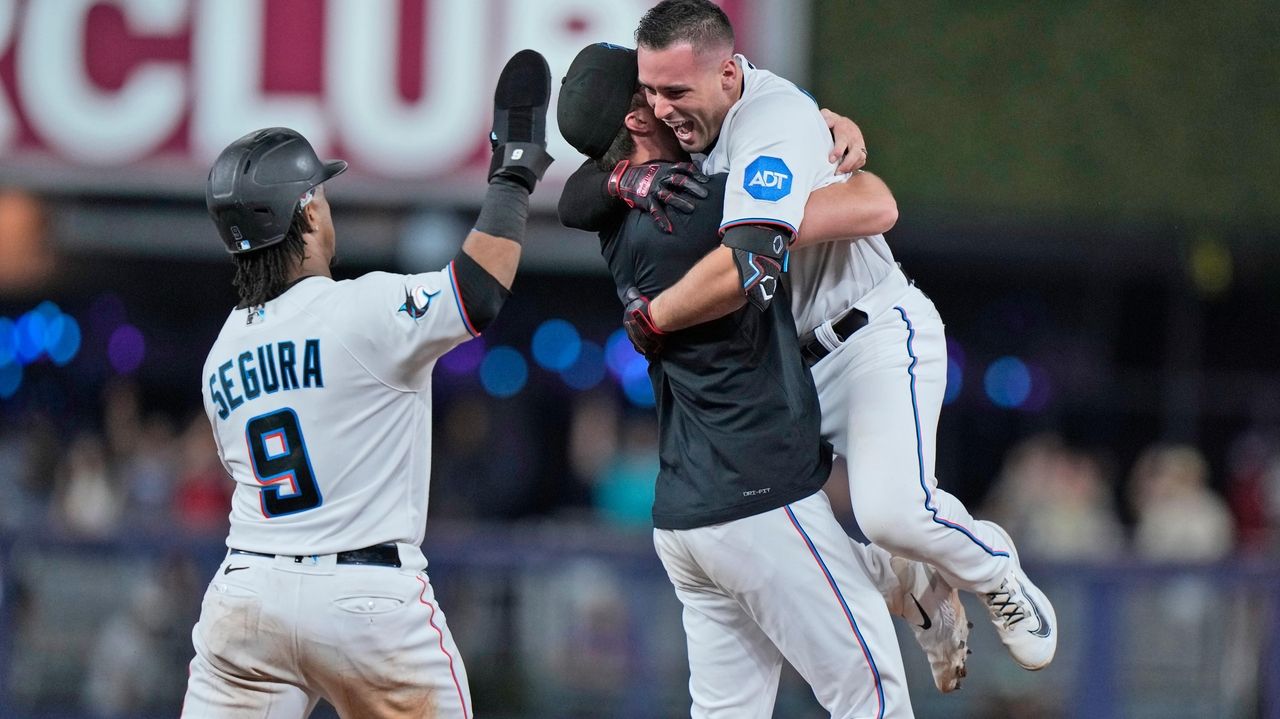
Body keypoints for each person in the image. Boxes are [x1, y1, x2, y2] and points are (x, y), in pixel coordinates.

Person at [565, 0, 1058, 674]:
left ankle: (997, 570)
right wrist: (623, 174)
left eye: (674, 90)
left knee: (892, 512)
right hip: (792, 366)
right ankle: (918, 590)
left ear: (730, 75)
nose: (661, 104)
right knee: (786, 542)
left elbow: (856, 212)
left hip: (871, 332)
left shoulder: (773, 122)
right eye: (649, 91)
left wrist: (654, 317)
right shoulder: (682, 137)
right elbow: (574, 194)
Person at [180, 50, 554, 718]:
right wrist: (515, 173)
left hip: (248, 594)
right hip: (364, 599)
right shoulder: (361, 309)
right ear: (308, 215)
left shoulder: (220, 355)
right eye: (319, 194)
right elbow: (478, 293)